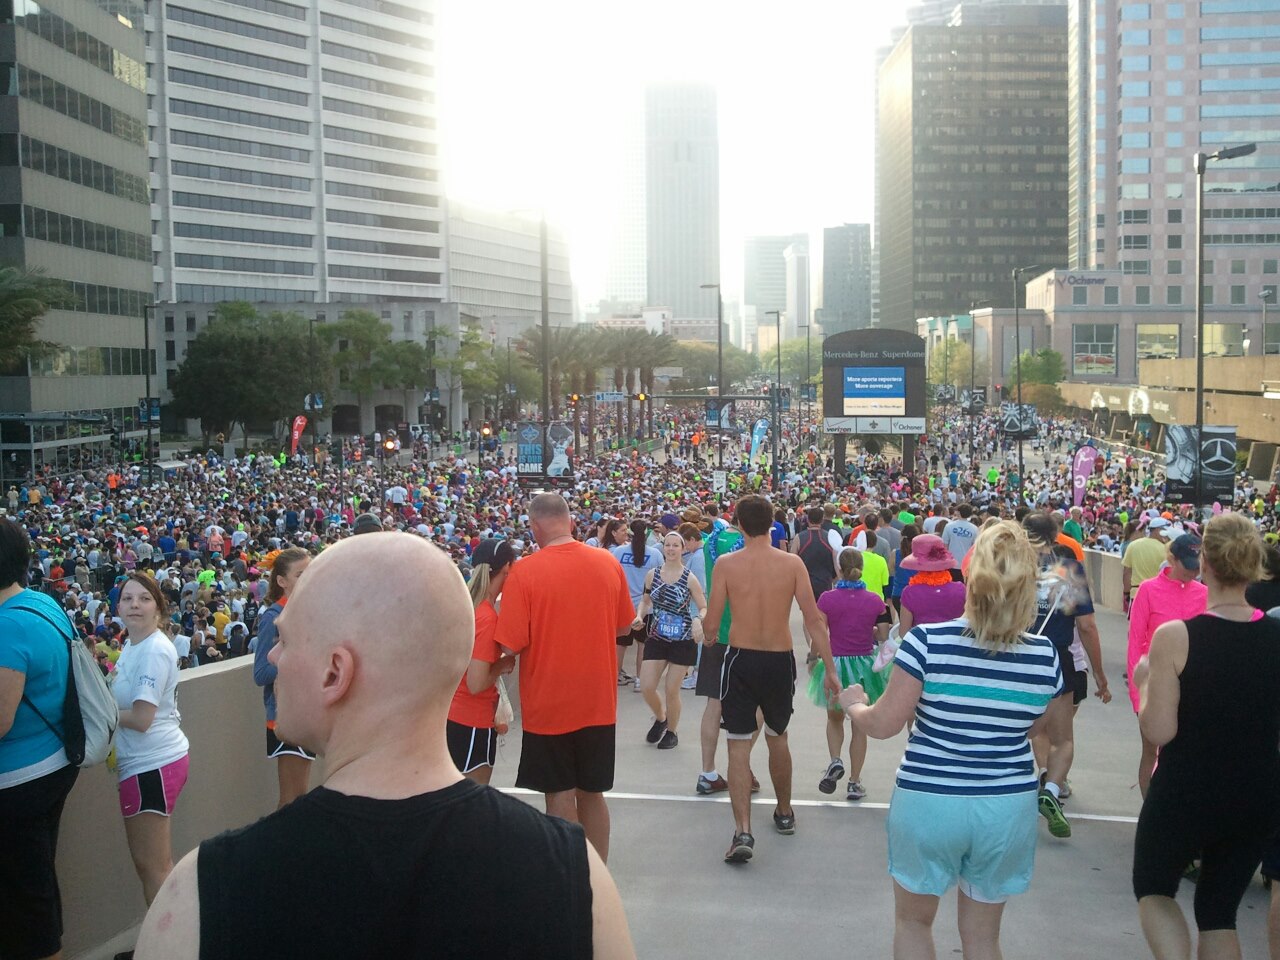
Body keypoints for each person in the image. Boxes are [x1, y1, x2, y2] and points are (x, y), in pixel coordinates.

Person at [135, 532, 635, 960]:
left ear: (336, 672)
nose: (272, 655)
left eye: (286, 640)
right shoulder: (575, 876)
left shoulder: (202, 894)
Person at [839, 521, 1064, 960]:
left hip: (930, 798)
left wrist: (854, 704)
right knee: (983, 938)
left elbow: (883, 724)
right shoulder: (1043, 656)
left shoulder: (927, 642)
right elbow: (1035, 728)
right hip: (1005, 804)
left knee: (913, 922)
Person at [1132, 512, 1280, 960]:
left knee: (1155, 889)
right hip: (1256, 793)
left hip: (1186, 789)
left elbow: (1159, 730)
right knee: (1219, 913)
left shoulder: (1177, 636)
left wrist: (1144, 680)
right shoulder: (1275, 635)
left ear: (1206, 565)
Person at [495, 493, 636, 862]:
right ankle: (598, 877)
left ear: (534, 526)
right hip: (598, 701)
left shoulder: (525, 571)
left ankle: (569, 877)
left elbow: (509, 645)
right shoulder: (607, 563)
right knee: (593, 792)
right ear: (571, 522)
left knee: (558, 793)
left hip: (549, 703)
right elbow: (624, 625)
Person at [704, 494, 838, 864]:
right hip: (779, 660)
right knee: (778, 736)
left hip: (741, 658)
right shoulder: (792, 563)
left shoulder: (727, 564)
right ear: (772, 524)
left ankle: (743, 829)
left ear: (740, 525)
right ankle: (783, 811)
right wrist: (830, 668)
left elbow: (712, 623)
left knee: (738, 744)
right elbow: (814, 619)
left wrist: (710, 635)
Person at [0, 517, 80, 960]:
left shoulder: (7, 628)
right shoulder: (42, 604)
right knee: (37, 882)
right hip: (54, 765)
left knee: (26, 902)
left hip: (19, 784)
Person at [1023, 511, 1111, 839]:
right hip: (1055, 658)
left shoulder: (1009, 567)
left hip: (1013, 655)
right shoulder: (1069, 571)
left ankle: (1019, 779)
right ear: (1055, 535)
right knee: (1062, 738)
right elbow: (1086, 626)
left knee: (1013, 730)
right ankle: (1052, 788)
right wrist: (1100, 675)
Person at [114, 572, 190, 907]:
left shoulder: (153, 651)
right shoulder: (134, 643)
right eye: (128, 598)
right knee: (148, 867)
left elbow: (142, 719)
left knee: (155, 869)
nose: (134, 605)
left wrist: (101, 712)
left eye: (144, 599)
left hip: (151, 764)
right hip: (145, 764)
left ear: (158, 609)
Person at [1125, 533, 1206, 797]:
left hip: (1193, 687)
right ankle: (1151, 814)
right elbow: (1135, 641)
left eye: (1197, 566)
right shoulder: (1148, 589)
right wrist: (1138, 695)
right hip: (1154, 684)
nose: (1193, 572)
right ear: (1172, 558)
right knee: (1151, 751)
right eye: (1188, 565)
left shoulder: (1205, 593)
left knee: (1186, 754)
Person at [812, 548, 889, 801]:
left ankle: (835, 760)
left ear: (839, 568)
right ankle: (854, 782)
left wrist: (814, 658)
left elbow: (820, 632)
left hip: (835, 664)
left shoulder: (827, 599)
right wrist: (874, 631)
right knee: (860, 725)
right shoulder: (875, 600)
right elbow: (882, 634)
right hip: (864, 666)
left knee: (834, 719)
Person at [447, 538, 516, 785]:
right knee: (468, 807)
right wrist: (502, 664)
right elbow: (476, 683)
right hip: (473, 722)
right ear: (507, 569)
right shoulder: (487, 618)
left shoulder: (465, 609)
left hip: (452, 716)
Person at [251, 547, 314, 809]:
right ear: (281, 581)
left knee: (300, 798)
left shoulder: (309, 612)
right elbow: (261, 673)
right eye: (301, 574)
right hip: (283, 716)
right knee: (292, 800)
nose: (308, 578)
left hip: (306, 713)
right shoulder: (273, 617)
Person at [632, 531, 706, 750]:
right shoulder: (652, 575)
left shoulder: (689, 578)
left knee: (671, 688)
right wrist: (639, 615)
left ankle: (672, 731)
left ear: (683, 549)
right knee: (646, 686)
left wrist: (698, 620)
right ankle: (661, 717)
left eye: (676, 545)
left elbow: (703, 605)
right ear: (663, 548)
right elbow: (645, 602)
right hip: (657, 636)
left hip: (683, 639)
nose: (671, 549)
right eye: (668, 545)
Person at [610, 519, 660, 688]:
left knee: (620, 644)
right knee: (643, 645)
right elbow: (660, 580)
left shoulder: (618, 552)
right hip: (646, 607)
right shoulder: (655, 554)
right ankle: (640, 680)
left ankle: (613, 678)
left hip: (622, 606)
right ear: (647, 533)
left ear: (630, 532)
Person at [897, 534, 966, 634]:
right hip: (954, 646)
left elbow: (903, 633)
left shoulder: (910, 593)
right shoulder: (961, 589)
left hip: (923, 647)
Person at [1123, 516, 1171, 612]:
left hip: (1136, 594)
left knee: (1136, 626)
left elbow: (1127, 573)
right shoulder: (1167, 550)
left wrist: (1126, 593)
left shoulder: (1133, 545)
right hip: (1157, 596)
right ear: (1158, 530)